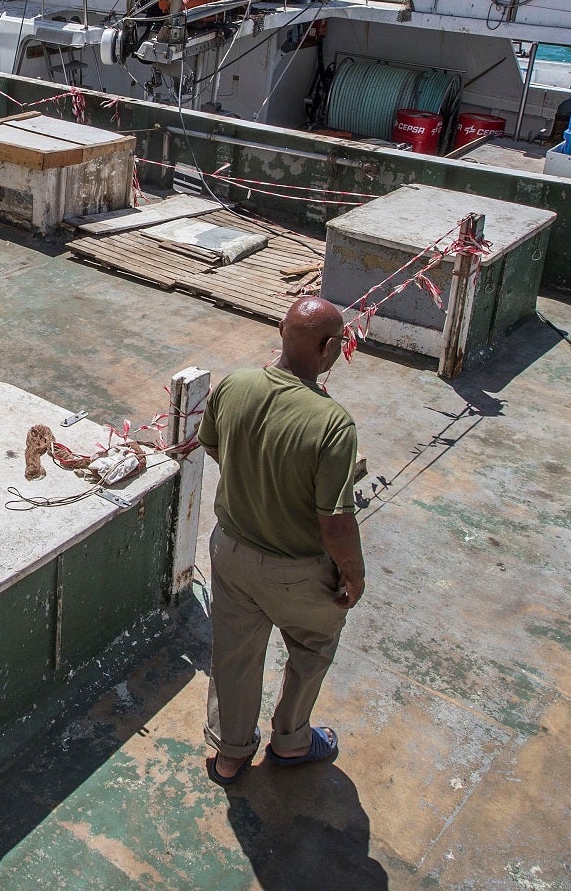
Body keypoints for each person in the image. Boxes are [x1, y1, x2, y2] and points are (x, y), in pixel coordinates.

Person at [197, 296, 365, 786]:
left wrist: (251, 479)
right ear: (329, 347)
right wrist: (353, 574)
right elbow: (334, 520)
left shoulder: (236, 384)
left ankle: (230, 754)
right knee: (313, 647)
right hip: (298, 571)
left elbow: (212, 443)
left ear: (280, 331)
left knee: (234, 654)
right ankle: (291, 742)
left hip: (230, 552)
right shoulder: (333, 423)